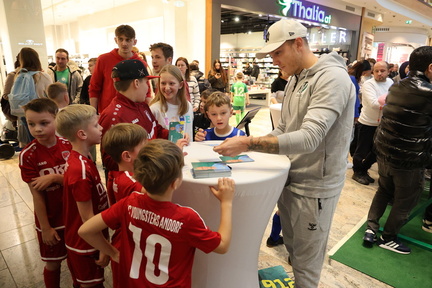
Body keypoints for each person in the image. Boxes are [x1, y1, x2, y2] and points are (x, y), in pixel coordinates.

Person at [213, 19, 355, 288]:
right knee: (293, 249)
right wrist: (248, 144)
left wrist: (249, 143)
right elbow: (284, 128)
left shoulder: (332, 78)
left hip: (315, 188)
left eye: (278, 52)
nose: (274, 60)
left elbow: (311, 137)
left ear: (298, 43)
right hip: (291, 178)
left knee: (307, 263)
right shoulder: (294, 80)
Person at [78, 139, 235, 287]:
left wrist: (112, 252)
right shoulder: (186, 218)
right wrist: (226, 203)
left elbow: (85, 230)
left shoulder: (129, 202)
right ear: (176, 182)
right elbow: (222, 246)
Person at [362, 46, 432, 254]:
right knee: (406, 199)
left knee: (384, 190)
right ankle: (388, 237)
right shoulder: (429, 93)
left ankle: (371, 229)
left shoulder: (396, 86)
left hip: (385, 152)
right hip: (410, 158)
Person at [19, 98, 72, 288]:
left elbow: (82, 181)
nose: (37, 129)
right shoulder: (28, 155)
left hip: (74, 216)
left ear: (56, 119)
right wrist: (46, 227)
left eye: (44, 123)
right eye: (31, 124)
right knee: (53, 262)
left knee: (77, 259)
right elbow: (36, 195)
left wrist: (56, 178)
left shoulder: (70, 145)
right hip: (51, 219)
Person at [98, 59, 188, 172]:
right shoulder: (113, 116)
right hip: (136, 182)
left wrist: (177, 135)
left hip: (153, 172)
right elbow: (110, 161)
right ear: (136, 83)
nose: (148, 87)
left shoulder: (142, 105)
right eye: (146, 82)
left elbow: (157, 130)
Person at [56, 104, 109, 288]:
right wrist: (104, 247)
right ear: (82, 134)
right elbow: (87, 218)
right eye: (96, 125)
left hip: (85, 241)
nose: (101, 128)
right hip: (86, 245)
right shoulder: (81, 170)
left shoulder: (82, 159)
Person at [101, 123, 147, 288]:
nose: (149, 151)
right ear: (127, 156)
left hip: (125, 237)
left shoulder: (118, 175)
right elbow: (156, 190)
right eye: (145, 147)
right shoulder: (129, 180)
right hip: (128, 243)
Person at [90, 24, 150, 113]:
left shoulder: (141, 63)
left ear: (134, 41)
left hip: (133, 113)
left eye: (128, 40)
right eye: (121, 39)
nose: (124, 43)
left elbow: (146, 90)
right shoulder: (103, 60)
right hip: (107, 112)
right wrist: (94, 113)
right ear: (116, 40)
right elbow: (94, 87)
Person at [351, 61, 393, 185]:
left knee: (377, 151)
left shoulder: (390, 83)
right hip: (367, 123)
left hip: (382, 124)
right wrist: (391, 103)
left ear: (388, 71)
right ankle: (357, 172)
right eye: (376, 71)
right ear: (372, 72)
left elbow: (383, 102)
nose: (379, 73)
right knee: (361, 151)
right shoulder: (368, 84)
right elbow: (374, 104)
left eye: (382, 71)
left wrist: (386, 103)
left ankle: (364, 169)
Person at [14, 47, 53, 147]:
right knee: (46, 144)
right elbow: (51, 96)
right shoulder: (43, 76)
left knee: (33, 145)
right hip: (43, 116)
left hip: (25, 115)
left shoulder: (19, 76)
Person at [150, 65, 194, 139]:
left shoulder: (188, 106)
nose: (167, 88)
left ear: (180, 85)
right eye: (163, 83)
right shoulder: (154, 110)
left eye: (171, 83)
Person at [348, 60, 372, 157]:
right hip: (352, 110)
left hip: (352, 109)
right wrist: (356, 115)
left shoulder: (351, 76)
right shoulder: (352, 78)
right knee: (349, 136)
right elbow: (353, 98)